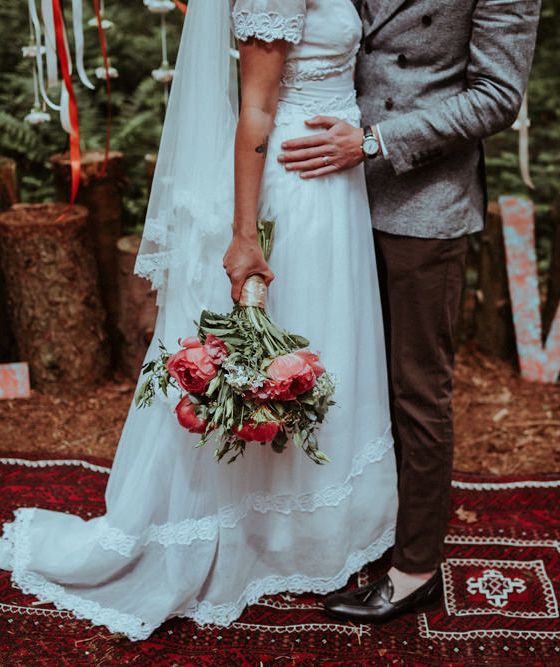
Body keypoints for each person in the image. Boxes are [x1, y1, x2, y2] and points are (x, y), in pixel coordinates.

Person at [0, 0, 398, 641]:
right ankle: (253, 532)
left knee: (329, 348)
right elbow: (257, 110)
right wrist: (246, 236)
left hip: (336, 185)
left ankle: (304, 532)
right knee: (274, 358)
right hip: (298, 187)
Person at [279, 0, 541, 622]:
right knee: (341, 376)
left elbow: (498, 95)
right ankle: (350, 531)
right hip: (330, 196)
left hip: (423, 203)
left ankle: (415, 564)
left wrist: (374, 141)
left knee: (416, 390)